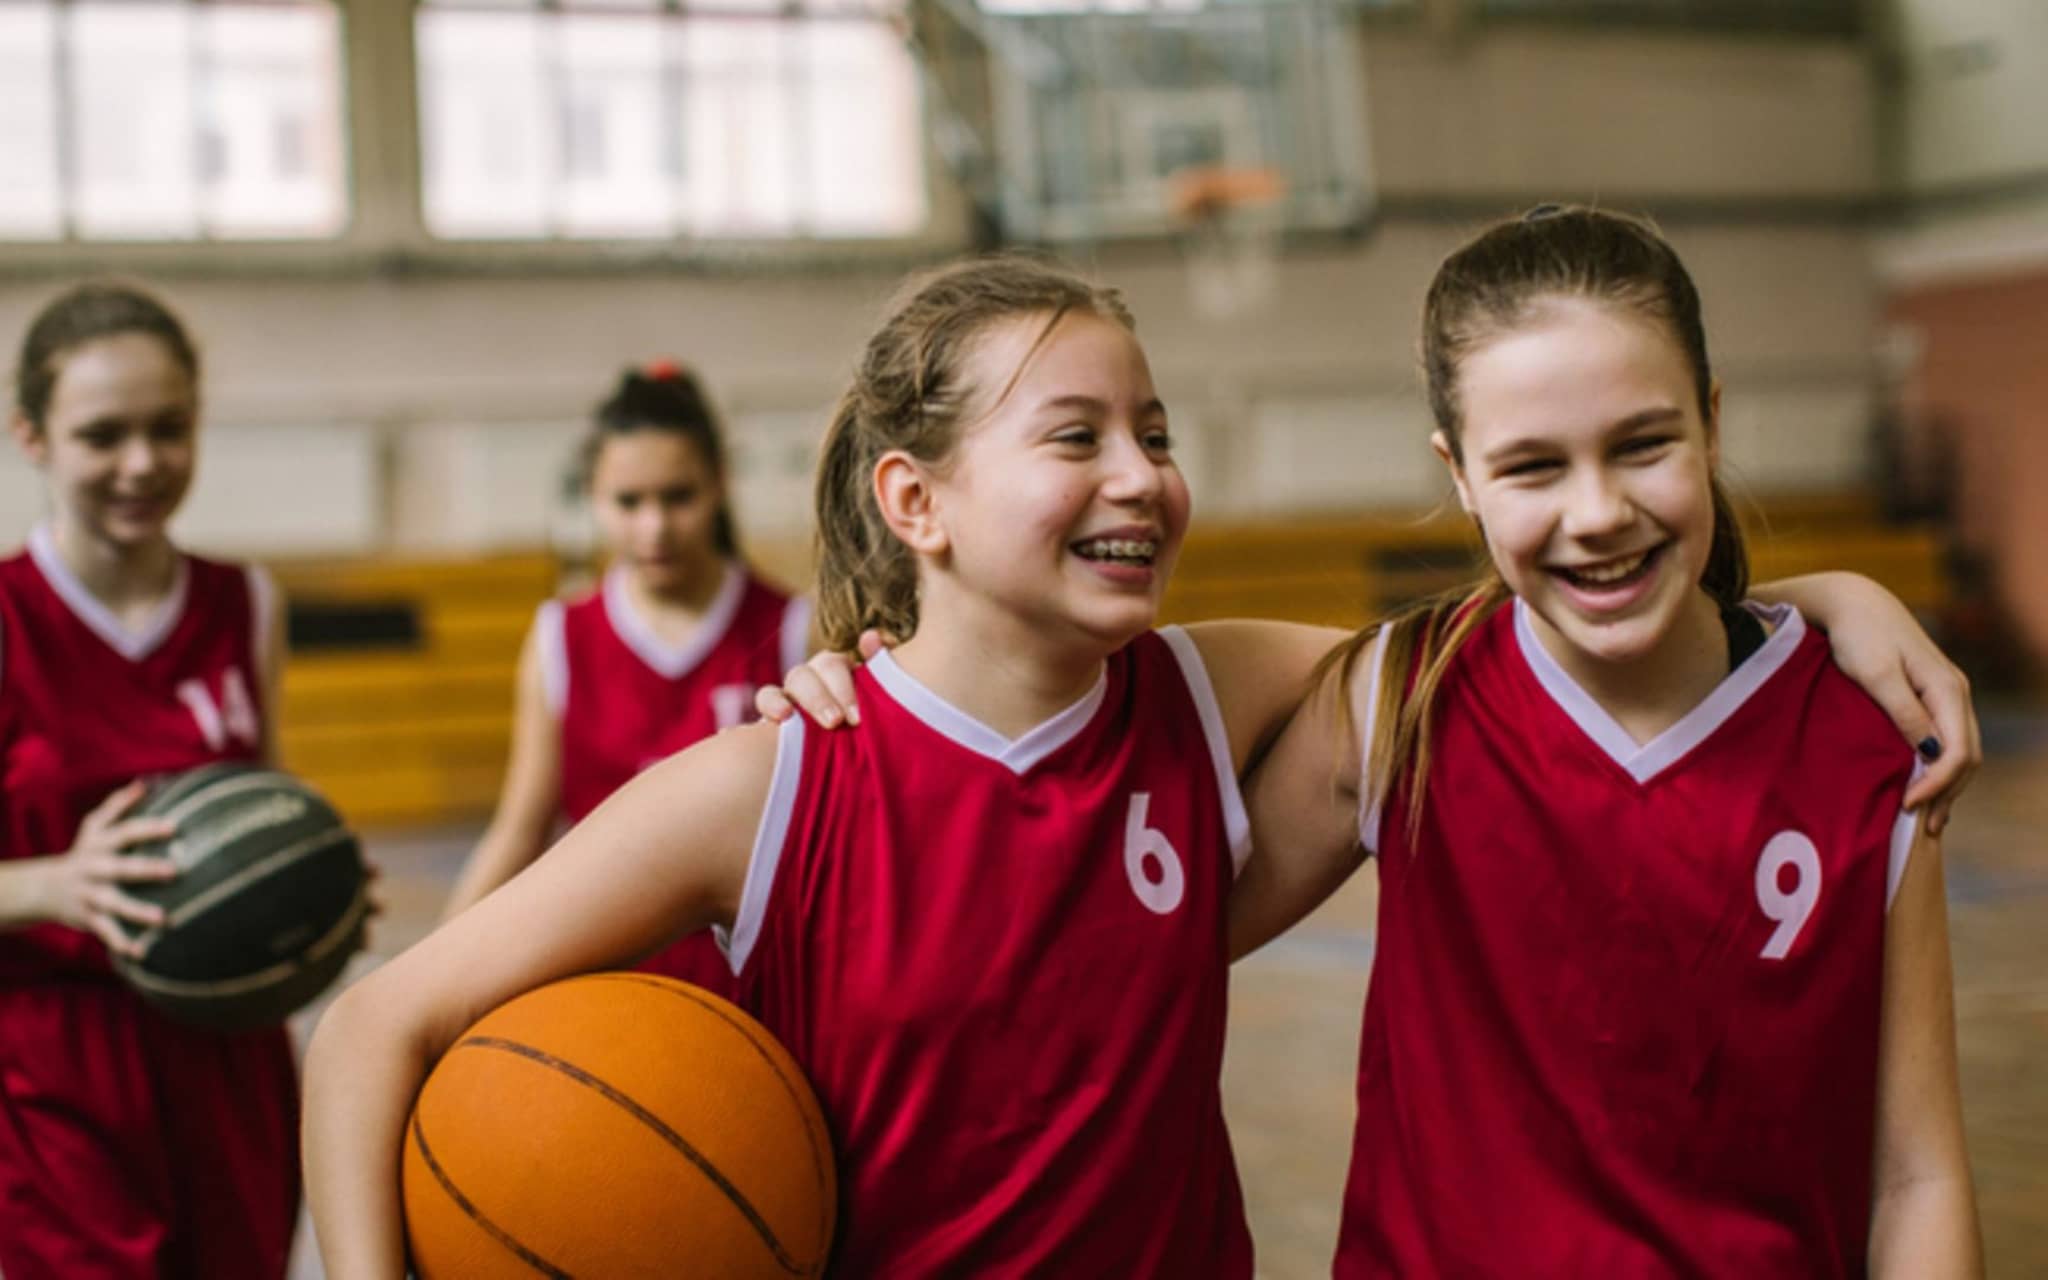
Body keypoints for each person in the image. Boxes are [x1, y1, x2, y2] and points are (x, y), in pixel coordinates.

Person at [303, 256, 1337, 1277]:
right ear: (914, 501)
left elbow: (1445, 672)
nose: (1140, 473)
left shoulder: (1207, 690)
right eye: (1077, 436)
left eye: (1155, 435)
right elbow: (367, 1028)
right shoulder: (777, 778)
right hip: (677, 1055)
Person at [1231, 206, 1981, 1275]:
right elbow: (1153, 941)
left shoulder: (1865, 743)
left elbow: (1917, 1173)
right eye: (1532, 466)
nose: (1595, 510)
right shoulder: (1400, 699)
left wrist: (1829, 601)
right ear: (1457, 472)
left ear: (1710, 423)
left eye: (1641, 444)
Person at [0, 282, 299, 1278]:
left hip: (229, 1047)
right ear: (32, 435)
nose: (142, 463)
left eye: (169, 428)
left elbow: (267, 799)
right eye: (103, 434)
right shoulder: (7, 617)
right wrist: (52, 883)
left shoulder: (245, 600)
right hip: (57, 1061)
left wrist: (311, 887)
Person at [440, 362, 809, 993]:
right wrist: (434, 972)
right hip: (601, 979)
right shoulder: (562, 636)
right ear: (593, 495)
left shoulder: (794, 628)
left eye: (678, 496)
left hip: (753, 983)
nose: (655, 527)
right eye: (629, 502)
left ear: (720, 483)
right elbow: (520, 829)